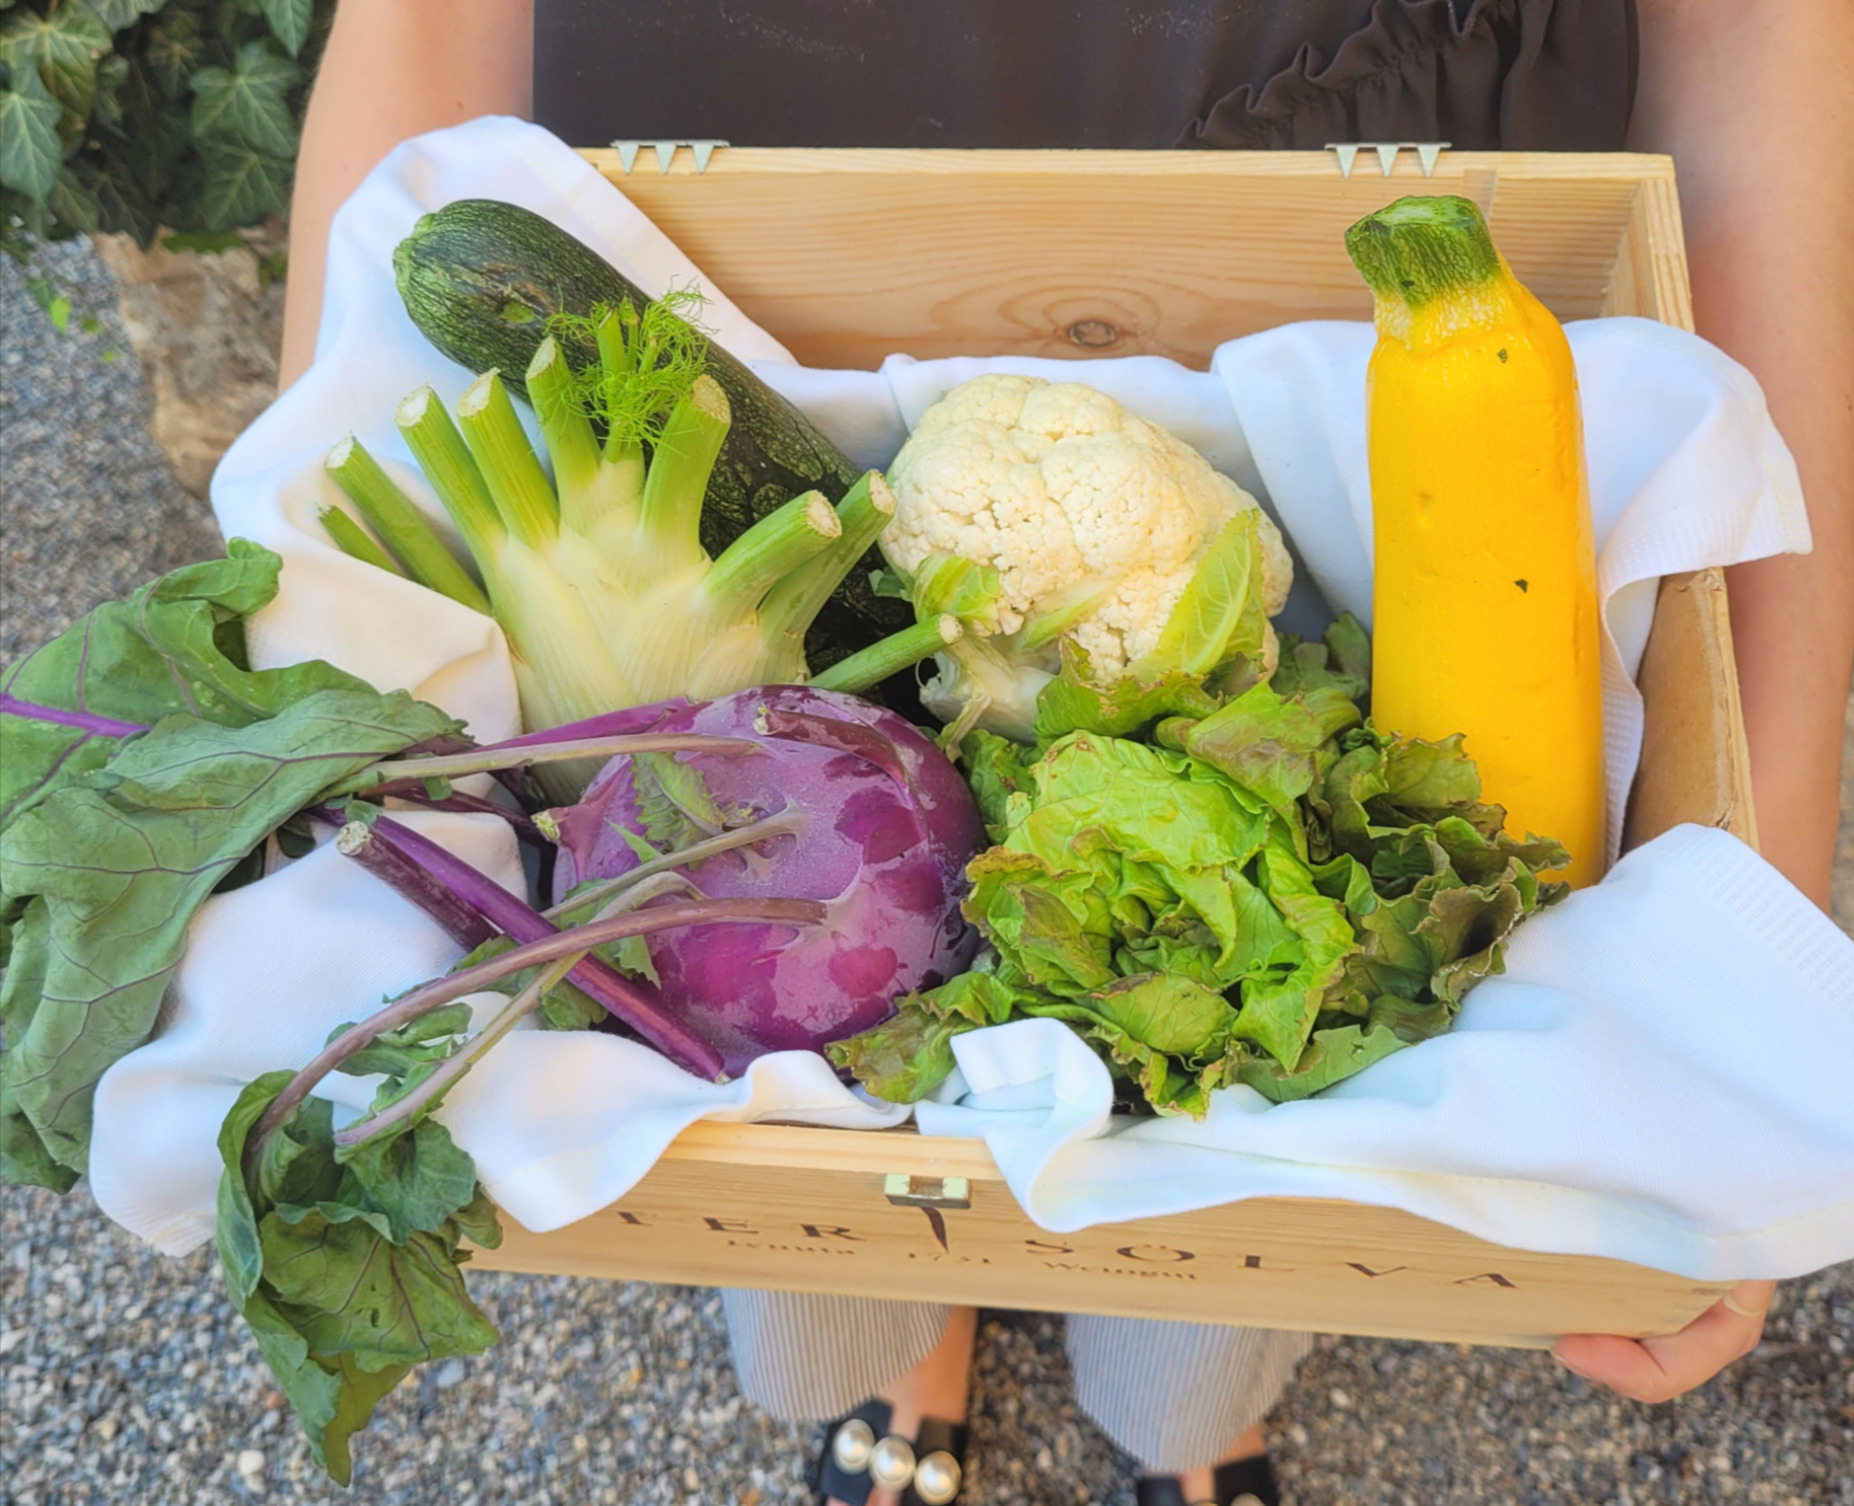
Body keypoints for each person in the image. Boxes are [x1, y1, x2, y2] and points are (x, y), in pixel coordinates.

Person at [278, 3, 1852, 1503]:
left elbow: (1754, 33)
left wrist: (1748, 1006)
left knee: (1264, 1198)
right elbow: (424, 22)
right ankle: (907, 1354)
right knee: (807, 1222)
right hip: (740, 206)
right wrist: (304, 614)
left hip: (1342, 181)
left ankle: (1181, 1417)